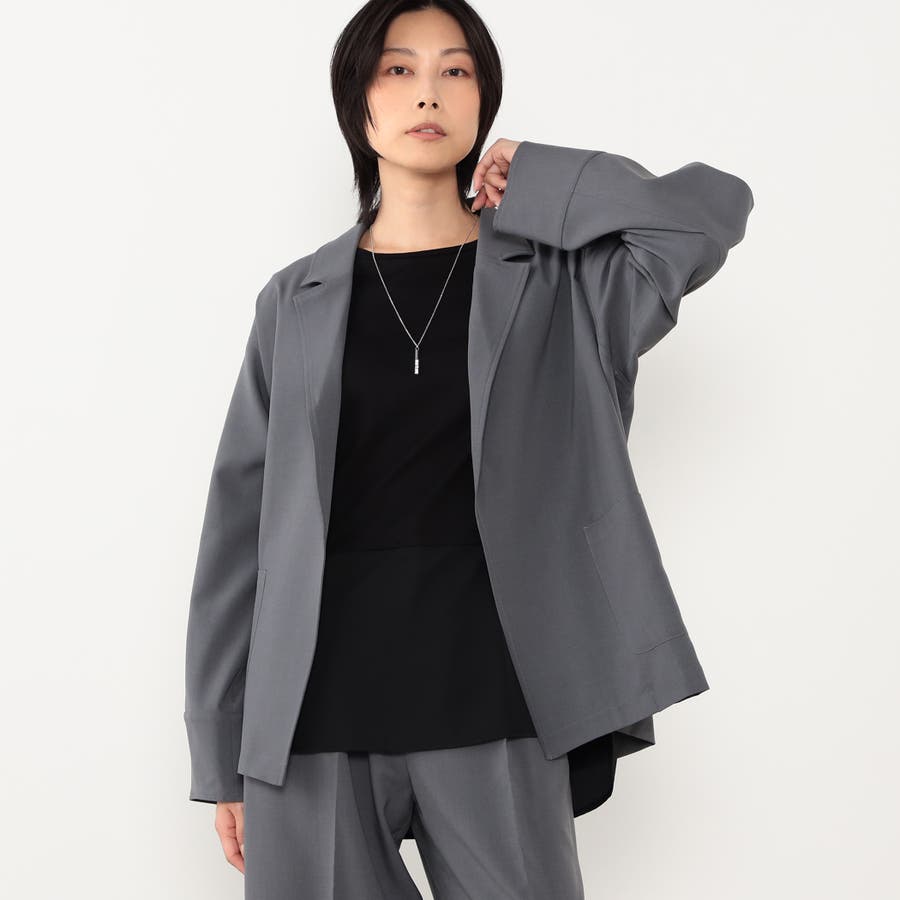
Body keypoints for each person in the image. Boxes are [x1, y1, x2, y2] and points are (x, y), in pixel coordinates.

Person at [183, 1, 754, 897]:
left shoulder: (565, 284)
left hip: (497, 701)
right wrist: (222, 750)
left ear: (483, 100)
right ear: (358, 104)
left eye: (455, 70)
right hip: (310, 719)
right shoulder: (294, 300)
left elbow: (705, 216)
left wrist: (544, 176)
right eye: (398, 69)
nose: (428, 93)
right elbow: (238, 531)